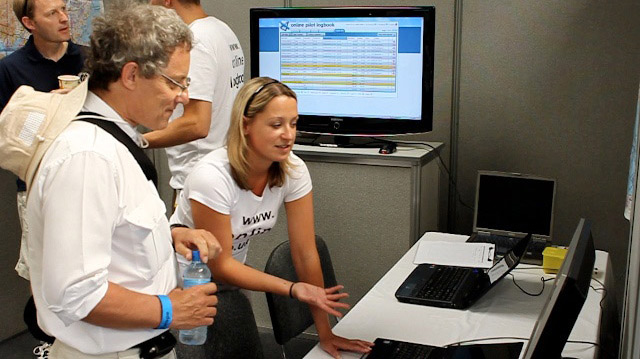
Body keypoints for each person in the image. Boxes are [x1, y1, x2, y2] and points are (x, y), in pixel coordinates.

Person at [25, 3, 221, 358]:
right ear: (131, 75)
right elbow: (76, 292)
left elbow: (112, 232)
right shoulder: (87, 157)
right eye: (175, 82)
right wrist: (170, 310)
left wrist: (170, 235)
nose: (184, 97)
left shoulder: (116, 140)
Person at [170, 77, 374, 359]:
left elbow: (305, 254)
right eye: (276, 124)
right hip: (182, 284)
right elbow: (220, 264)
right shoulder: (212, 177)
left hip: (231, 278)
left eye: (293, 123)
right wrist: (292, 289)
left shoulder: (293, 170)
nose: (288, 135)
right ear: (246, 125)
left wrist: (326, 333)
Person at [146, 0, 245, 200]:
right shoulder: (221, 30)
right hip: (223, 173)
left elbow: (197, 124)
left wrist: (138, 141)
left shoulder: (194, 42)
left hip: (198, 182)